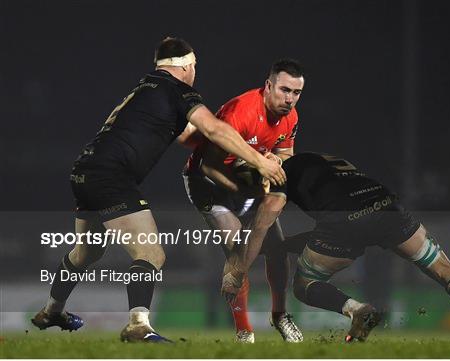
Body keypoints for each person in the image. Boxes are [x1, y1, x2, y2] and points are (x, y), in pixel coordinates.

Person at [31, 37, 285, 343]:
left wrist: (241, 152)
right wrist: (260, 161)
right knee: (150, 253)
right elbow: (214, 129)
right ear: (187, 66)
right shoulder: (177, 90)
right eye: (194, 66)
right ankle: (138, 326)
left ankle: (51, 311)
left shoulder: (147, 89)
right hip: (113, 177)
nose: (195, 72)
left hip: (85, 170)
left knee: (87, 252)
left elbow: (196, 137)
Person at [218, 152, 450, 343]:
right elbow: (336, 208)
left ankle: (357, 309)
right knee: (446, 271)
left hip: (345, 223)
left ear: (271, 160)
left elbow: (262, 226)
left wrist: (239, 271)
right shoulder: (321, 159)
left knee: (304, 284)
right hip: (387, 206)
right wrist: (286, 246)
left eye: (256, 172)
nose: (260, 181)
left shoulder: (278, 177)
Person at [180, 59, 304, 343]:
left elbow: (286, 156)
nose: (290, 99)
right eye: (285, 90)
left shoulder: (291, 116)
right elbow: (208, 167)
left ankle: (280, 316)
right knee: (238, 246)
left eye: (296, 93)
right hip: (207, 184)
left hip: (247, 185)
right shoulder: (242, 111)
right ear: (268, 85)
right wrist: (248, 186)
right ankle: (244, 331)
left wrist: (276, 160)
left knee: (277, 251)